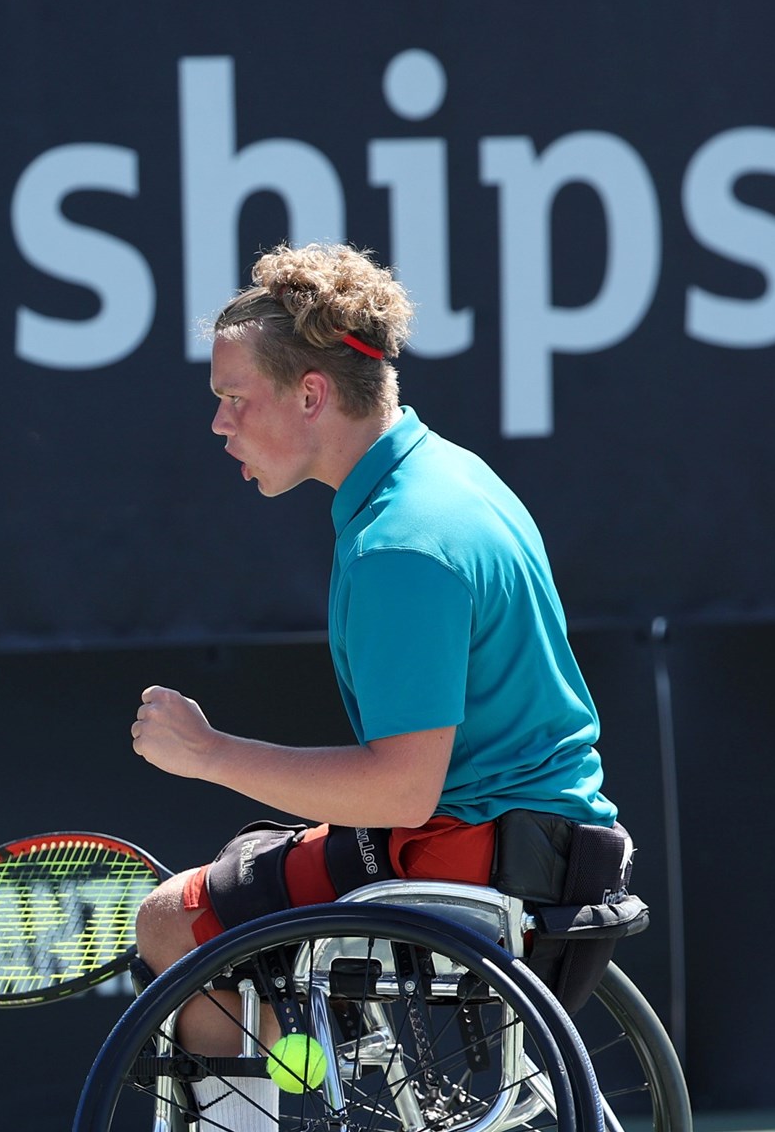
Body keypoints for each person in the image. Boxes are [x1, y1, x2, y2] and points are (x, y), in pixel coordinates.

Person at [129, 243, 617, 1128]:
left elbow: (400, 788)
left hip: (470, 859)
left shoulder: (400, 546)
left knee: (171, 922)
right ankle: (315, 1057)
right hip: (535, 839)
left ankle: (306, 1074)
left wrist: (207, 753)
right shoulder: (448, 474)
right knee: (251, 861)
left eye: (235, 400)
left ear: (311, 393)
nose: (219, 425)